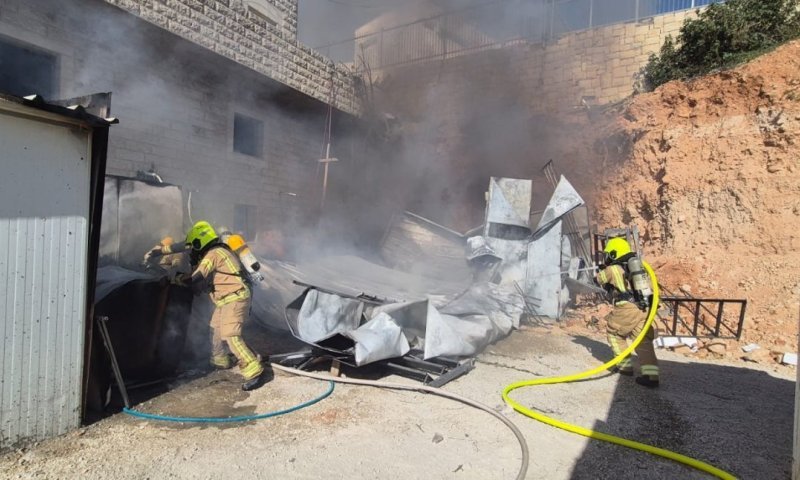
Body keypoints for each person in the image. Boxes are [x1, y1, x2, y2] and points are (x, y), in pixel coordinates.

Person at [179, 220, 264, 390]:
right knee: (215, 329)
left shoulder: (214, 253)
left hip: (235, 297)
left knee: (230, 334)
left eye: (193, 246)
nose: (193, 251)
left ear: (199, 242)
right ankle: (220, 360)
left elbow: (197, 277)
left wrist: (179, 279)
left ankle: (253, 370)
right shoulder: (218, 251)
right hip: (225, 299)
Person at [596, 237, 659, 388]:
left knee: (615, 334)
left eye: (608, 254)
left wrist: (602, 269)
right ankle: (651, 376)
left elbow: (598, 280)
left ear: (613, 253)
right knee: (642, 340)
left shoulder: (613, 269)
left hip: (627, 308)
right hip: (645, 307)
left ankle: (624, 367)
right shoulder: (640, 266)